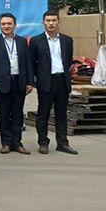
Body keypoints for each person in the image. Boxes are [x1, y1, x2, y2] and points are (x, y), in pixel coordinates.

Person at [0, 13, 34, 155]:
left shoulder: (22, 41)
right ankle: (6, 143)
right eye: (3, 24)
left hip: (19, 82)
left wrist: (30, 82)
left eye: (9, 24)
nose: (6, 26)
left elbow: (28, 62)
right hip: (2, 83)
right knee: (5, 114)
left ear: (15, 25)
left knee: (18, 114)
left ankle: (17, 142)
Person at [29, 11, 78, 155]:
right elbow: (32, 63)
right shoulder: (36, 41)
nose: (51, 23)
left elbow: (68, 60)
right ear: (43, 22)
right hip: (46, 81)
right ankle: (43, 142)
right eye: (48, 21)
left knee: (61, 114)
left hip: (62, 81)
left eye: (54, 20)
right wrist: (38, 78)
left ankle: (62, 143)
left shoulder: (67, 40)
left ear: (58, 22)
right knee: (43, 114)